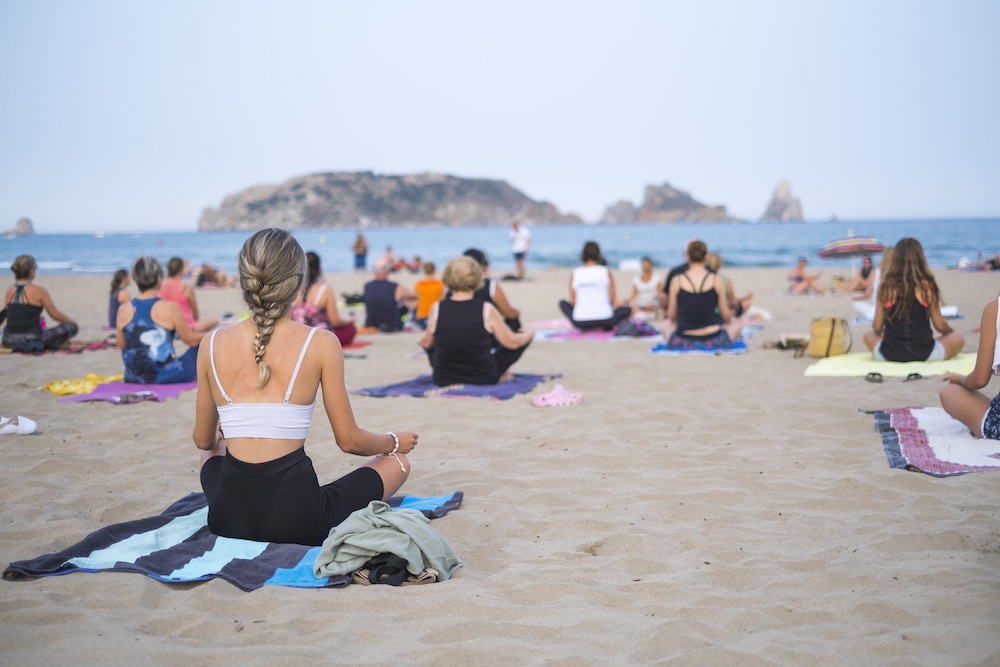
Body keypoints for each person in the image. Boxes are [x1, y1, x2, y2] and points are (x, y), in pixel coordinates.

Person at [193, 228, 417, 546]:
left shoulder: (211, 342)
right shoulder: (321, 342)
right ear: (299, 283)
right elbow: (350, 441)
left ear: (244, 280)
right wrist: (393, 441)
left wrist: (225, 434)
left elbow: (203, 440)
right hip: (300, 522)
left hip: (227, 519)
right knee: (398, 463)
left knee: (213, 449)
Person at [419, 256, 534, 385]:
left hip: (443, 378)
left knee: (433, 345)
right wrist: (529, 334)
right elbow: (512, 343)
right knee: (517, 341)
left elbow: (427, 343)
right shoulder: (486, 309)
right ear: (477, 278)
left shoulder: (437, 308)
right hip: (483, 377)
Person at [862, 237, 964, 362]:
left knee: (868, 335)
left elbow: (877, 327)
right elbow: (940, 325)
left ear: (895, 259)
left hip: (890, 354)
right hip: (924, 353)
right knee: (958, 338)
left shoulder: (886, 286)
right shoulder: (926, 286)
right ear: (920, 258)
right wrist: (950, 332)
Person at [117, 256, 205, 383]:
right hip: (166, 376)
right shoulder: (171, 308)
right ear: (159, 279)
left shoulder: (123, 309)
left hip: (134, 377)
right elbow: (190, 340)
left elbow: (121, 345)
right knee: (204, 345)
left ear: (136, 279)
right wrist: (212, 335)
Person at [663, 240, 742, 349]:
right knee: (736, 325)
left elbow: (671, 316)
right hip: (714, 339)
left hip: (684, 340)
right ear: (706, 257)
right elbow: (726, 316)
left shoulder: (677, 281)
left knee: (665, 325)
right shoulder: (716, 279)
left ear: (687, 256)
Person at [940, 297, 1000, 440]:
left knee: (949, 391)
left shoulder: (995, 309)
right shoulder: (927, 290)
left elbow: (979, 380)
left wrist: (961, 379)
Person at [2, 254, 78, 352]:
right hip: (32, 339)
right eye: (35, 267)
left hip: (8, 340)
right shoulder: (39, 290)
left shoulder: (10, 290)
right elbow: (55, 314)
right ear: (31, 271)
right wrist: (71, 322)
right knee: (72, 327)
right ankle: (56, 343)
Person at [558, 241, 631, 331]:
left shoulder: (575, 273)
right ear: (598, 255)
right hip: (605, 319)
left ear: (583, 255)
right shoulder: (606, 272)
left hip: (580, 321)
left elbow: (573, 302)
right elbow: (613, 300)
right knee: (627, 310)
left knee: (562, 303)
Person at [291, 251, 357, 346]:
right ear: (318, 268)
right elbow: (335, 321)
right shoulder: (324, 289)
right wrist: (349, 321)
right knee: (351, 329)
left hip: (298, 335)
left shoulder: (295, 289)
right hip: (320, 338)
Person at [462, 248, 522, 331]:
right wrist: (517, 312)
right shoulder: (490, 286)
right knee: (514, 321)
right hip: (484, 331)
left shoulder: (453, 286)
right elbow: (510, 313)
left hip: (459, 329)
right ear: (482, 265)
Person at [158, 257, 219, 333]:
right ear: (181, 270)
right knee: (215, 320)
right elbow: (195, 313)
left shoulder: (161, 287)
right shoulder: (185, 288)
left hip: (167, 324)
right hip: (185, 326)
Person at [362, 258, 417, 332]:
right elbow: (414, 296)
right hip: (393, 325)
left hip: (371, 324)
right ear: (388, 271)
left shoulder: (367, 286)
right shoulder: (396, 287)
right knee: (404, 301)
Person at [704, 253, 752, 318]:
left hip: (707, 311)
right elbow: (732, 300)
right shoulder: (725, 279)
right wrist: (745, 297)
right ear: (720, 264)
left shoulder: (704, 279)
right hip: (722, 313)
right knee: (746, 303)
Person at [853, 247, 893, 321]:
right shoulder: (899, 274)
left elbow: (868, 294)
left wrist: (855, 298)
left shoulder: (875, 272)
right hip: (894, 312)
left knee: (857, 303)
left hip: (876, 313)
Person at [411, 261, 445, 329]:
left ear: (424, 271)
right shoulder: (439, 284)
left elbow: (415, 302)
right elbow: (443, 301)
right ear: (434, 270)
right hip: (436, 317)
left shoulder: (418, 284)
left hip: (421, 317)